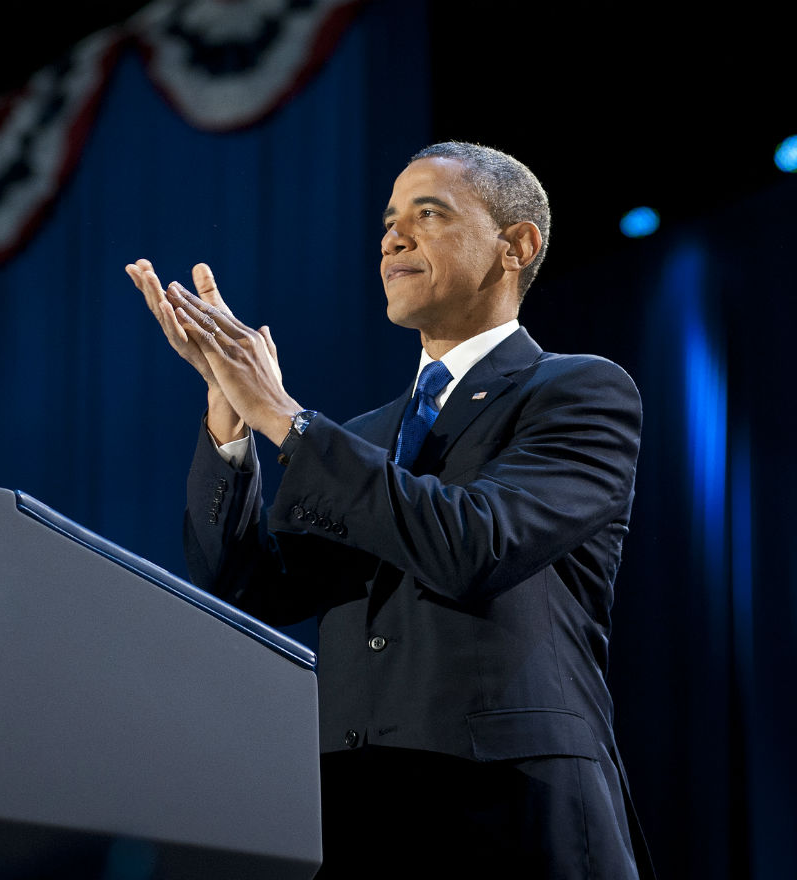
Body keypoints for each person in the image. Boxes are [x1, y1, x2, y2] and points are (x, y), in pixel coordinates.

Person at [126, 142, 654, 879]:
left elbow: (474, 545)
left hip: (514, 814)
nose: (391, 237)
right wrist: (231, 418)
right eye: (387, 220)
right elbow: (249, 589)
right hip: (358, 820)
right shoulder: (364, 437)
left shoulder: (577, 391)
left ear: (516, 245)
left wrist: (285, 415)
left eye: (427, 213)